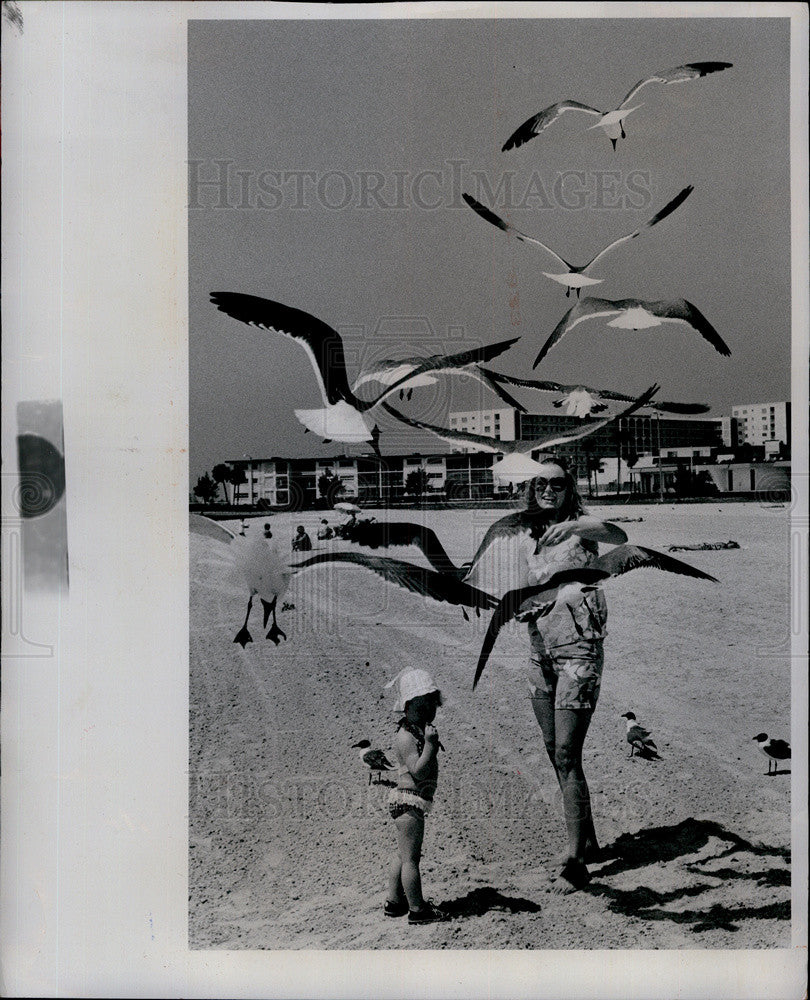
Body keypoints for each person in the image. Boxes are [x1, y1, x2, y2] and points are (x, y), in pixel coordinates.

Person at [517, 459, 627, 893]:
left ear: (568, 489)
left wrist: (584, 524)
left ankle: (576, 860)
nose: (548, 489)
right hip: (538, 651)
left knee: (566, 753)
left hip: (578, 652)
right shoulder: (525, 534)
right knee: (555, 752)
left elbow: (619, 538)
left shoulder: (580, 527)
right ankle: (589, 840)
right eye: (540, 483)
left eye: (557, 484)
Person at [384, 669, 450, 924]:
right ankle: (417, 909)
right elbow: (419, 770)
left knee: (403, 855)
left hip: (409, 802)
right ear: (408, 706)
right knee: (411, 859)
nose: (429, 714)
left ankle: (394, 901)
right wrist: (431, 747)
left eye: (432, 707)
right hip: (408, 801)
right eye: (423, 708)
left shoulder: (415, 731)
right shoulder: (405, 737)